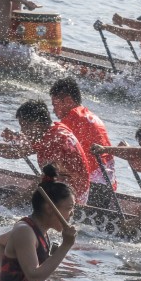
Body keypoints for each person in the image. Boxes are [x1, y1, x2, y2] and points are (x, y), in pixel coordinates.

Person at [0, 100, 90, 203]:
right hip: (60, 189)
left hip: (71, 198)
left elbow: (45, 181)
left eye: (24, 126)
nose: (23, 130)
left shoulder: (56, 141)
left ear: (36, 124)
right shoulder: (52, 130)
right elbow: (15, 152)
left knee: (13, 200)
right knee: (11, 189)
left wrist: (12, 203)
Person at [46, 78, 117, 209]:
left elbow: (47, 141)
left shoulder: (72, 118)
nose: (53, 110)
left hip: (93, 188)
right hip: (108, 187)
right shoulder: (88, 115)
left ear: (67, 100)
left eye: (55, 105)